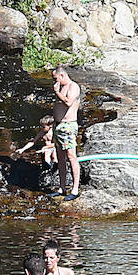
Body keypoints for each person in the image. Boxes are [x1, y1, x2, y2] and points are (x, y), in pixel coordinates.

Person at [52, 66, 82, 200]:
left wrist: (57, 93)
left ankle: (75, 190)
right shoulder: (61, 87)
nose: (55, 81)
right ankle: (62, 187)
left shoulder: (73, 86)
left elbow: (69, 102)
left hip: (68, 126)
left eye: (56, 78)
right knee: (60, 157)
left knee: (71, 156)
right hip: (58, 126)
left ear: (62, 75)